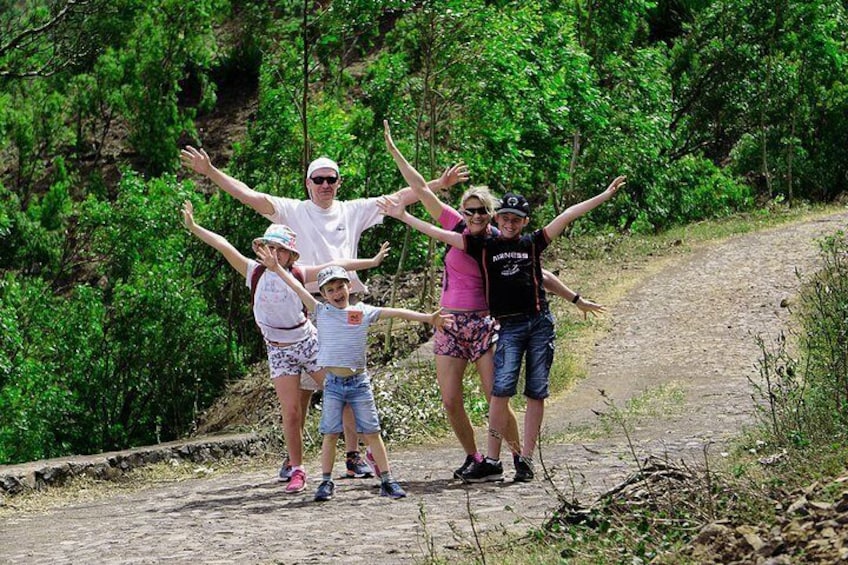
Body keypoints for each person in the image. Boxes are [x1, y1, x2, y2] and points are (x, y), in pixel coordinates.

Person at [180, 145, 468, 477]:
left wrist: (439, 184)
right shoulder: (292, 211)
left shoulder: (352, 210)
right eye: (318, 179)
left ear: (339, 182)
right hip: (303, 303)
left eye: (331, 179)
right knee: (301, 395)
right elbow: (249, 196)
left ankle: (352, 455)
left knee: (343, 381)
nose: (325, 185)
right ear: (307, 183)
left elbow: (399, 197)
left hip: (342, 305)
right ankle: (296, 458)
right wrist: (212, 171)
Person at [378, 139, 625, 483]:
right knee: (450, 400)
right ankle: (475, 457)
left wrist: (575, 298)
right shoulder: (456, 226)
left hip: (487, 322)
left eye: (482, 211)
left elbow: (542, 274)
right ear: (463, 212)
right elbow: (420, 190)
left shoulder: (497, 240)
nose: (475, 216)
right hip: (450, 320)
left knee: (497, 392)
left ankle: (515, 455)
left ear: (492, 214)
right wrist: (394, 150)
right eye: (470, 210)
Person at [181, 200, 390, 494]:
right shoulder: (252, 271)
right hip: (278, 349)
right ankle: (297, 468)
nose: (272, 253)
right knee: (291, 412)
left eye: (278, 248)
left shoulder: (298, 273)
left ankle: (362, 452)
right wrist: (193, 226)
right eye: (268, 247)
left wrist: (371, 261)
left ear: (290, 254)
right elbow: (224, 246)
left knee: (344, 395)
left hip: (307, 342)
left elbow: (337, 266)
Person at [256, 250, 453, 501]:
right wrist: (275, 268)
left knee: (372, 432)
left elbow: (394, 312)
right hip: (333, 384)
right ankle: (325, 482)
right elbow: (296, 286)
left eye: (341, 287)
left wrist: (427, 318)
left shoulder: (362, 312)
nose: (337, 293)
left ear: (349, 286)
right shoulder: (320, 311)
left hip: (359, 382)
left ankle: (388, 479)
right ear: (323, 294)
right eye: (331, 290)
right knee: (330, 434)